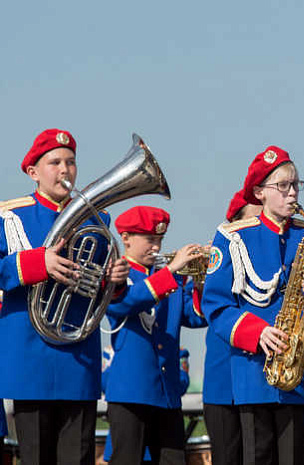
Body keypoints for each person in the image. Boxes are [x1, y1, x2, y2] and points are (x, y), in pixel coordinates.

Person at [202, 146, 304, 465]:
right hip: (253, 371)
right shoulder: (233, 237)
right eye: (283, 186)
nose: (292, 194)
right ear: (259, 192)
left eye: (295, 185)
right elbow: (216, 306)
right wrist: (257, 333)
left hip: (298, 372)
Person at [0, 128, 129, 464]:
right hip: (30, 359)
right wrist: (36, 263)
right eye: (54, 162)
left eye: (70, 162)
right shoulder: (11, 216)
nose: (65, 170)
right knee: (36, 456)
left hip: (79, 358)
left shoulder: (97, 218)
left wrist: (112, 282)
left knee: (79, 456)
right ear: (33, 172)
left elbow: (99, 288)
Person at [104, 206, 208, 465]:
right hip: (131, 392)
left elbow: (195, 318)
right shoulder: (118, 273)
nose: (156, 247)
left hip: (167, 392)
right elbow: (124, 304)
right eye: (150, 239)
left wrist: (201, 281)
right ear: (126, 238)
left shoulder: (167, 277)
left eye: (160, 240)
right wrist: (171, 271)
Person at [203, 189, 261, 465]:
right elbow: (206, 311)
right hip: (224, 384)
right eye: (253, 220)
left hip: (261, 383)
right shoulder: (224, 253)